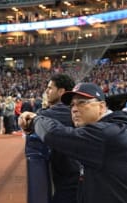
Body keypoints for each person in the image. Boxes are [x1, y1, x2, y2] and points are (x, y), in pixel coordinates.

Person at [19, 82, 127, 203]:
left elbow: (54, 134)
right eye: (72, 105)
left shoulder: (105, 134)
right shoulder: (106, 128)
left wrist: (35, 119)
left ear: (101, 107)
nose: (75, 109)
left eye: (82, 103)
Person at [24, 73, 78, 203]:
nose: (46, 91)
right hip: (81, 176)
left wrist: (30, 118)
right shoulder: (76, 110)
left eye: (50, 88)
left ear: (61, 91)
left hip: (67, 179)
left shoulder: (51, 114)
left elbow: (31, 123)